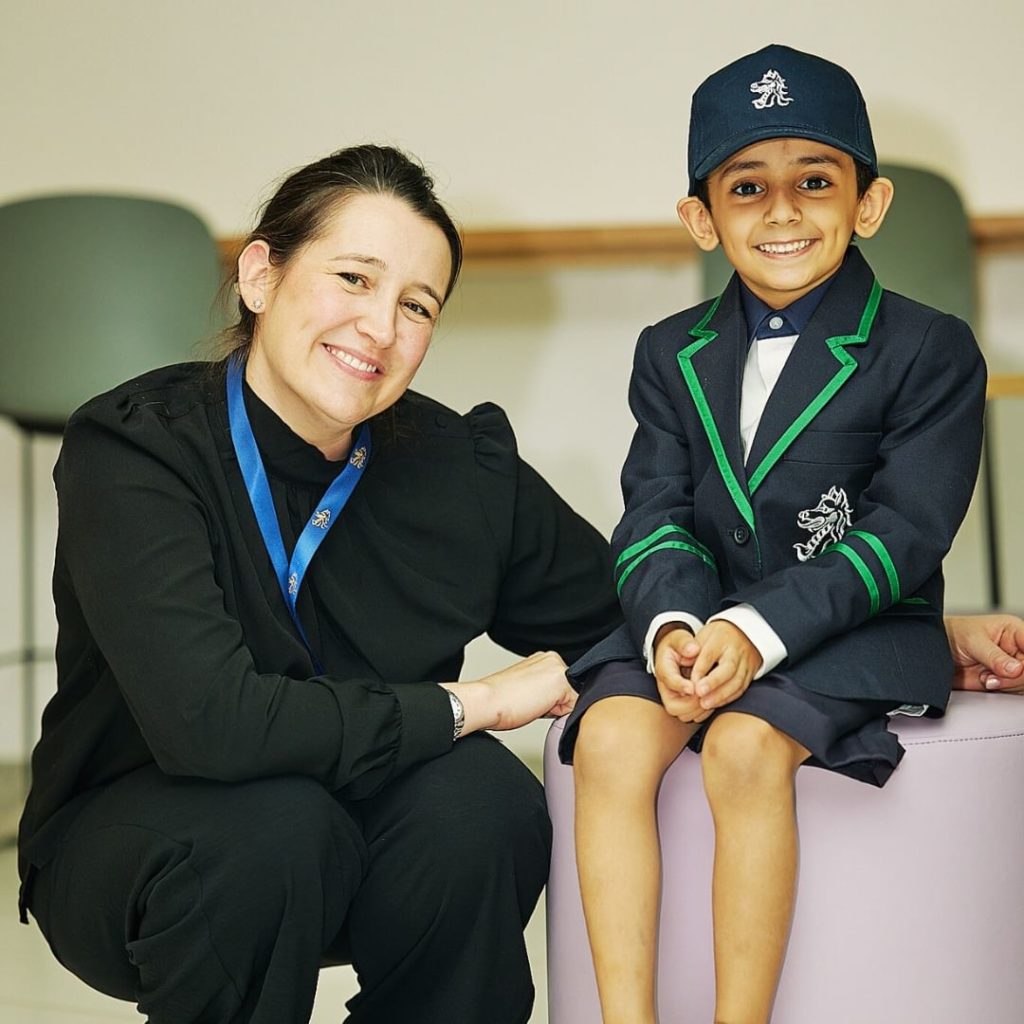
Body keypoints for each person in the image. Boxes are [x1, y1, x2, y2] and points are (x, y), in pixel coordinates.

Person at [16, 144, 623, 1024]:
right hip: (145, 840)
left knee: (485, 802)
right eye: (353, 278)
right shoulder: (139, 451)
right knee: (277, 826)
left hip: (368, 826)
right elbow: (212, 726)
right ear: (261, 275)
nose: (380, 327)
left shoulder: (459, 467)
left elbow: (625, 618)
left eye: (416, 305)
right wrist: (474, 703)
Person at [560, 45, 989, 1024]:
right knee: (612, 736)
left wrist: (754, 633)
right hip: (700, 619)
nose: (783, 212)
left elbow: (904, 532)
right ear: (701, 218)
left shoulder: (929, 347)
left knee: (745, 748)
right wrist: (673, 626)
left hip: (850, 628)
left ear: (869, 203)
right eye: (747, 187)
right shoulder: (668, 351)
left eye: (816, 182)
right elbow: (653, 512)